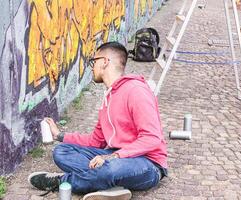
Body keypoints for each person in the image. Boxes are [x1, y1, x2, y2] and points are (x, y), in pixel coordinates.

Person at [28, 42, 168, 200]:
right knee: (61, 152)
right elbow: (96, 141)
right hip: (115, 156)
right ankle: (109, 185)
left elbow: (152, 138)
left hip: (148, 164)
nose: (91, 67)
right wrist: (59, 135)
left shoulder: (136, 90)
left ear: (105, 62)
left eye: (93, 62)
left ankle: (61, 181)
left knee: (111, 168)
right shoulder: (108, 97)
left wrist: (113, 157)